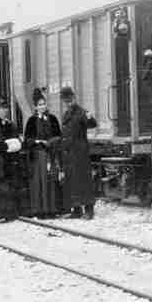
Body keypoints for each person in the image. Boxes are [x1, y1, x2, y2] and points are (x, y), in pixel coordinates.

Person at [57, 86, 98, 219]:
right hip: (69, 152)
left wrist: (89, 117)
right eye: (66, 101)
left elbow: (93, 124)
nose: (68, 103)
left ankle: (89, 210)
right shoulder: (66, 114)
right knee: (72, 181)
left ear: (74, 98)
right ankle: (76, 209)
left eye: (70, 100)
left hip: (80, 153)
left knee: (84, 181)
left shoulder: (81, 112)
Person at [23, 88, 62, 217]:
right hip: (38, 155)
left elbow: (58, 136)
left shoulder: (53, 119)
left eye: (44, 104)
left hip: (51, 153)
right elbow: (27, 139)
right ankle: (40, 210)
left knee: (51, 182)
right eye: (39, 105)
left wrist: (50, 142)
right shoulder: (31, 121)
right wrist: (38, 142)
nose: (42, 106)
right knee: (40, 182)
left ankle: (52, 209)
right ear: (35, 107)